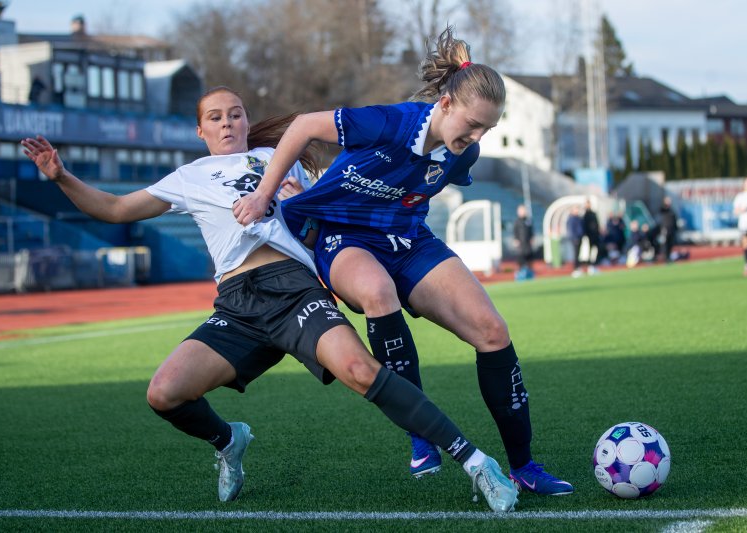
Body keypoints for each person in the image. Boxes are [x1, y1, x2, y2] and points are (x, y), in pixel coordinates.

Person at [20, 87, 518, 512]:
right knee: (164, 393)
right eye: (216, 117)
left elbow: (327, 218)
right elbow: (113, 209)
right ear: (200, 130)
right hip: (237, 304)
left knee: (363, 371)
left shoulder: (278, 159)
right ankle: (228, 440)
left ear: (246, 121)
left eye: (235, 114)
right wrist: (61, 176)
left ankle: (477, 464)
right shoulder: (188, 177)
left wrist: (300, 198)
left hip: (296, 291)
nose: (227, 123)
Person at [233, 28, 573, 496]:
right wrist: (264, 194)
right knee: (377, 292)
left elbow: (411, 189)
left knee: (493, 331)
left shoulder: (464, 153)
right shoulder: (388, 122)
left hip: (410, 239)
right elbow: (304, 125)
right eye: (473, 124)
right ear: (446, 104)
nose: (477, 137)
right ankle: (420, 433)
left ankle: (524, 466)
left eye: (487, 130)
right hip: (345, 237)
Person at [512, 204, 535, 280]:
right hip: (521, 245)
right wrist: (516, 240)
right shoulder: (517, 221)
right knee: (521, 260)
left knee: (529, 260)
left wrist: (532, 238)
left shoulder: (528, 220)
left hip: (528, 245)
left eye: (524, 210)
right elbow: (515, 232)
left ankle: (530, 275)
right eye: (521, 210)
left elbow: (531, 230)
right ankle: (520, 275)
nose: (523, 212)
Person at [581, 198, 600, 274]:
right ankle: (589, 266)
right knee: (589, 250)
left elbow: (597, 224)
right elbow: (585, 225)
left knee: (596, 249)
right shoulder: (585, 214)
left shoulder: (593, 213)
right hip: (589, 235)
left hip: (595, 235)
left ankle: (594, 264)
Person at [657, 196, 678, 263]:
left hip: (671, 229)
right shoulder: (664, 209)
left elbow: (674, 219)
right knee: (665, 244)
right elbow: (661, 210)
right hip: (665, 229)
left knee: (670, 244)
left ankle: (669, 257)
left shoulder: (672, 210)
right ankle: (665, 258)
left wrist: (676, 228)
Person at [566, 205, 584, 277]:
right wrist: (574, 238)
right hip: (575, 239)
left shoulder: (579, 218)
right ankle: (575, 269)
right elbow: (571, 230)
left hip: (579, 238)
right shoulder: (571, 219)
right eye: (576, 209)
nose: (577, 211)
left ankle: (578, 268)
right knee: (576, 254)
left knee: (578, 253)